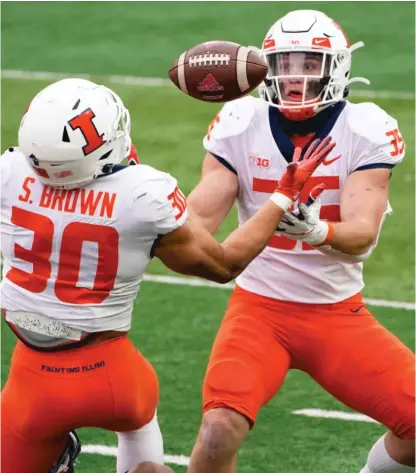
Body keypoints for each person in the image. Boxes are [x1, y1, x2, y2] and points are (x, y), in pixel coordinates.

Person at [0, 77, 332, 473]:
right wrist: (282, 196)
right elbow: (224, 265)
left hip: (30, 378)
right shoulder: (141, 194)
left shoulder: (8, 173)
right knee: (142, 451)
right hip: (111, 375)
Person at [186, 9, 415, 473]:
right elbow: (198, 221)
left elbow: (362, 234)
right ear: (264, 67)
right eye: (284, 63)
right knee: (217, 432)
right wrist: (154, 214)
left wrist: (315, 230)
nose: (295, 77)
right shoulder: (239, 120)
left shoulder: (364, 127)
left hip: (335, 313)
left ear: (337, 68)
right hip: (258, 310)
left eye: (309, 64)